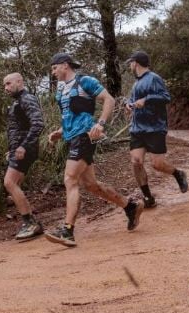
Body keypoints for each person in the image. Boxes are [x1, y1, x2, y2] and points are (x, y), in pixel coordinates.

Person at [44, 52, 143, 248]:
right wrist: (60, 131)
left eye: (54, 68)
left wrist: (101, 124)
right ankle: (130, 206)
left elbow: (109, 100)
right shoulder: (60, 90)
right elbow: (71, 116)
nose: (53, 72)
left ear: (64, 65)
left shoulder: (84, 81)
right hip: (72, 137)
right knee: (90, 185)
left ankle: (68, 231)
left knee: (70, 179)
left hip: (86, 136)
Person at [124, 51, 188, 209]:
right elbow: (133, 99)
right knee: (136, 162)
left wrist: (146, 100)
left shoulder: (154, 78)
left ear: (136, 63)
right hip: (137, 128)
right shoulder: (136, 83)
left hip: (155, 128)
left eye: (131, 63)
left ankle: (177, 173)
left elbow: (166, 97)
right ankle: (148, 197)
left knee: (157, 164)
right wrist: (128, 103)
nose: (130, 66)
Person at [3, 72, 45, 240]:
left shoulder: (27, 99)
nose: (6, 88)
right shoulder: (18, 102)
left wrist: (23, 146)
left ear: (19, 82)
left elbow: (38, 124)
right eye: (4, 85)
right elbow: (19, 128)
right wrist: (12, 149)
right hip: (19, 149)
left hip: (26, 149)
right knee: (13, 185)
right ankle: (30, 222)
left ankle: (30, 223)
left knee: (9, 182)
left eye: (9, 83)